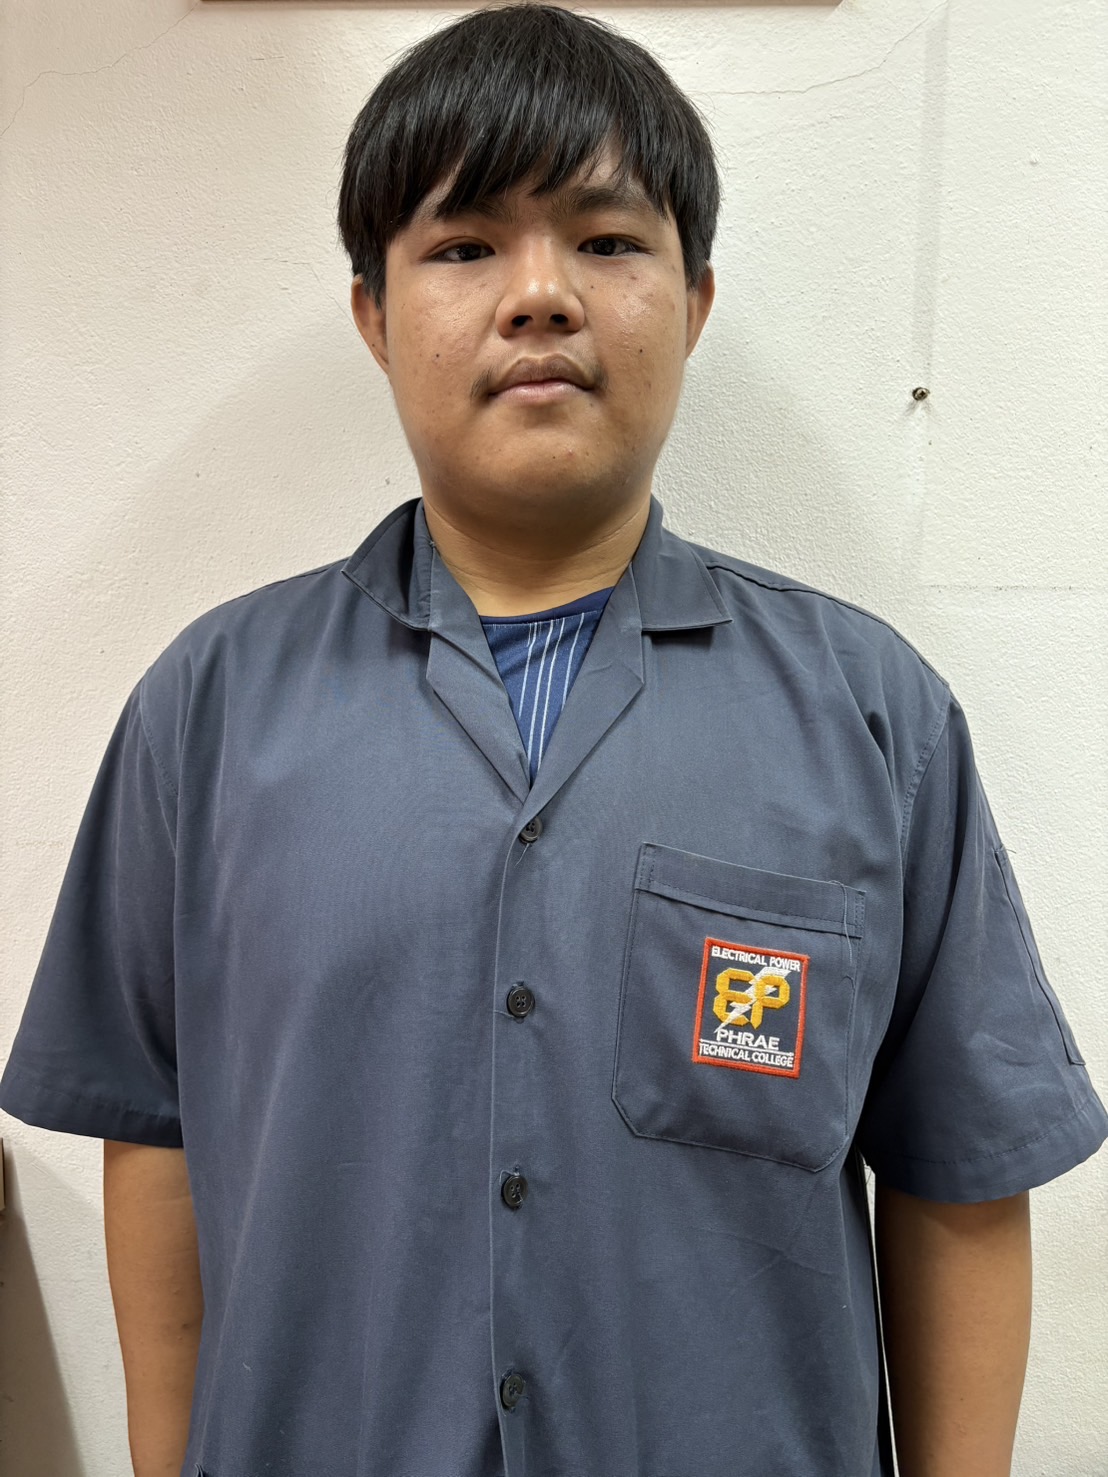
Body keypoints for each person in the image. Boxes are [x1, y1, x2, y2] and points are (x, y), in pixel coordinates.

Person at [1, 5, 1104, 1475]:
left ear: (693, 303)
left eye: (606, 240)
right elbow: (152, 1131)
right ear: (374, 317)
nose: (540, 296)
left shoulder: (871, 717)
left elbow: (958, 1172)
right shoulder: (205, 713)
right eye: (465, 246)